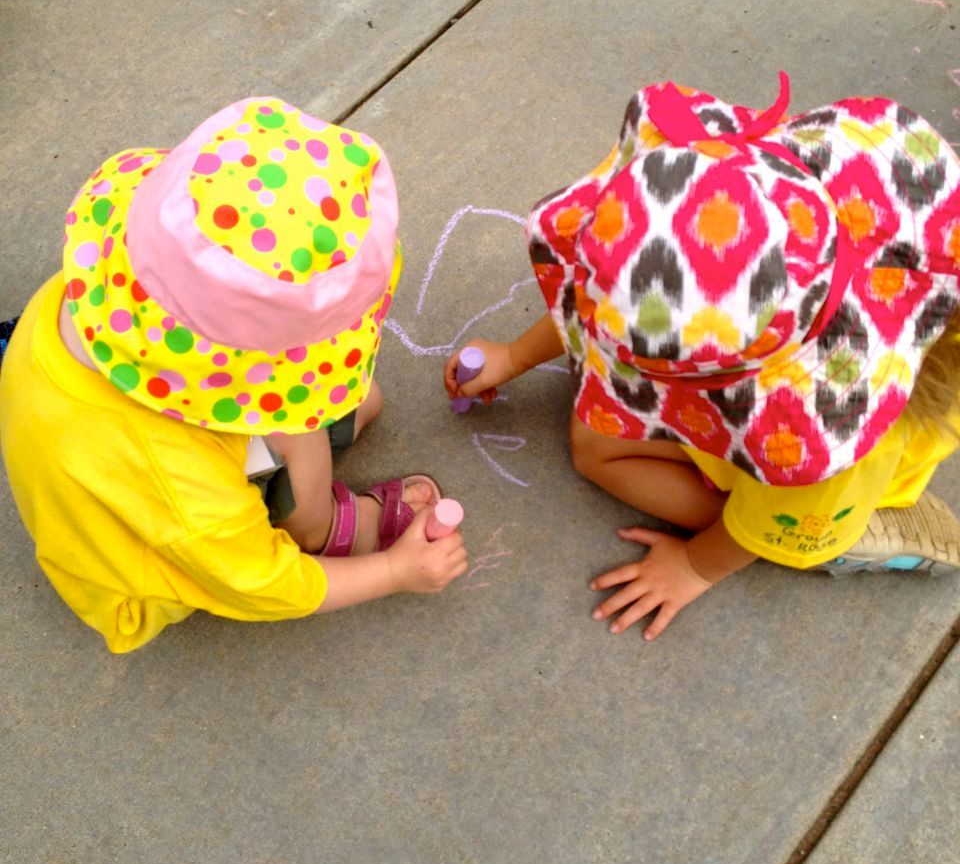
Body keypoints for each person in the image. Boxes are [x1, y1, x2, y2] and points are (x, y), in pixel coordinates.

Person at [445, 73, 960, 640]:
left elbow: (770, 506)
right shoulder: (800, 218)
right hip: (768, 405)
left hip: (805, 493)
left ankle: (830, 545)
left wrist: (694, 566)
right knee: (597, 425)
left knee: (599, 451)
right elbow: (619, 298)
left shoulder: (832, 429)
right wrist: (516, 355)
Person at [0, 97, 467, 653]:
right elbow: (264, 584)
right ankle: (319, 530)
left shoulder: (105, 294)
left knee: (348, 408)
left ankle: (291, 457)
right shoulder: (182, 494)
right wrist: (395, 572)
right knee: (312, 432)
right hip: (144, 562)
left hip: (121, 446)